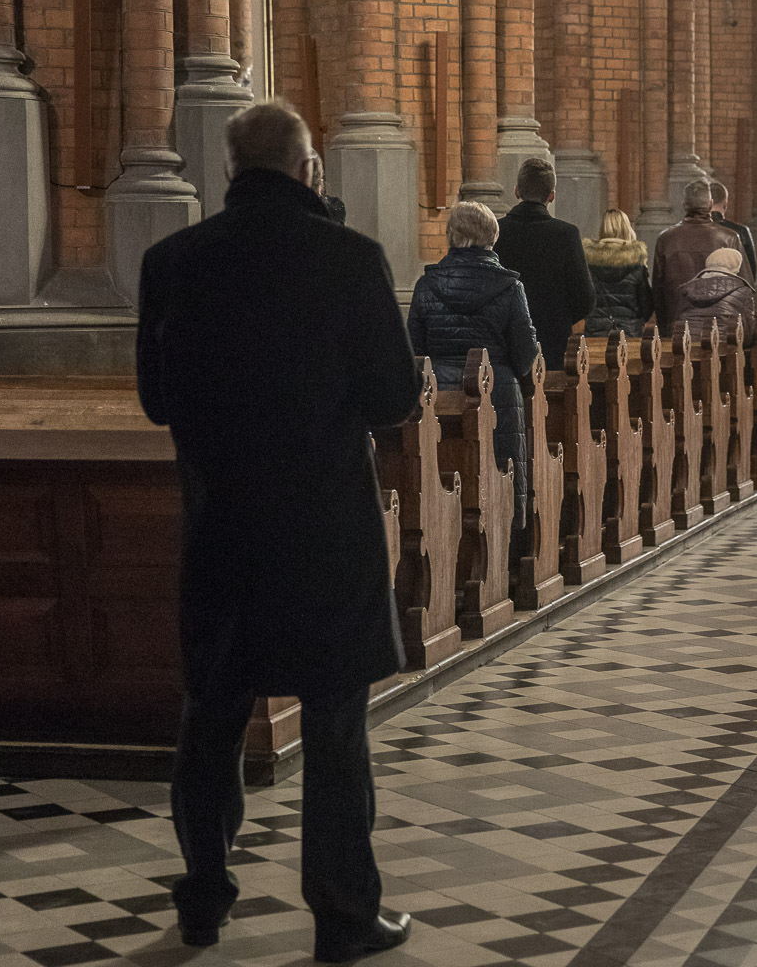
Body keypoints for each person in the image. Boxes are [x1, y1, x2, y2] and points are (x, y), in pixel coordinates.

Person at [135, 100, 416, 962]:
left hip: (223, 525)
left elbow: (156, 400)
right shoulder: (351, 258)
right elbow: (395, 398)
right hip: (325, 527)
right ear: (308, 170)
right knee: (335, 726)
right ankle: (343, 915)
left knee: (211, 717)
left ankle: (203, 900)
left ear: (229, 171)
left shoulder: (173, 261)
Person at [408, 201, 543, 525]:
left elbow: (412, 350)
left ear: (451, 235)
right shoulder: (510, 287)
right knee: (499, 472)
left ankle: (447, 540)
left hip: (440, 392)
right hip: (497, 395)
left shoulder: (427, 285)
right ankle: (505, 550)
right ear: (491, 237)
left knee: (448, 470)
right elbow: (525, 356)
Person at [493, 157, 596, 369]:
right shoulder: (566, 234)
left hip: (505, 345)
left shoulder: (497, 232)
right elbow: (585, 299)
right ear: (551, 195)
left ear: (517, 191)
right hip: (552, 344)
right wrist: (558, 318)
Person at [652, 179, 741, 331]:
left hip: (677, 325)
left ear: (684, 205)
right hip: (720, 327)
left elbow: (658, 290)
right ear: (710, 204)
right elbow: (742, 287)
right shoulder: (729, 238)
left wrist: (665, 328)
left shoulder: (666, 239)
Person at [583, 208, 654, 338]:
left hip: (595, 332)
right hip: (629, 332)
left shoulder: (588, 263)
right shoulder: (636, 263)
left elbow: (583, 301)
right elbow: (647, 306)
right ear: (627, 228)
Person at [674, 246, 757, 344]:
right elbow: (748, 330)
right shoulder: (743, 291)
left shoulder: (685, 289)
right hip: (727, 349)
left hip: (688, 347)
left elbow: (676, 322)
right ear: (736, 267)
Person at [707, 181, 757, 281]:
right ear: (725, 204)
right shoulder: (740, 231)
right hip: (733, 292)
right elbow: (750, 273)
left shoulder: (691, 231)